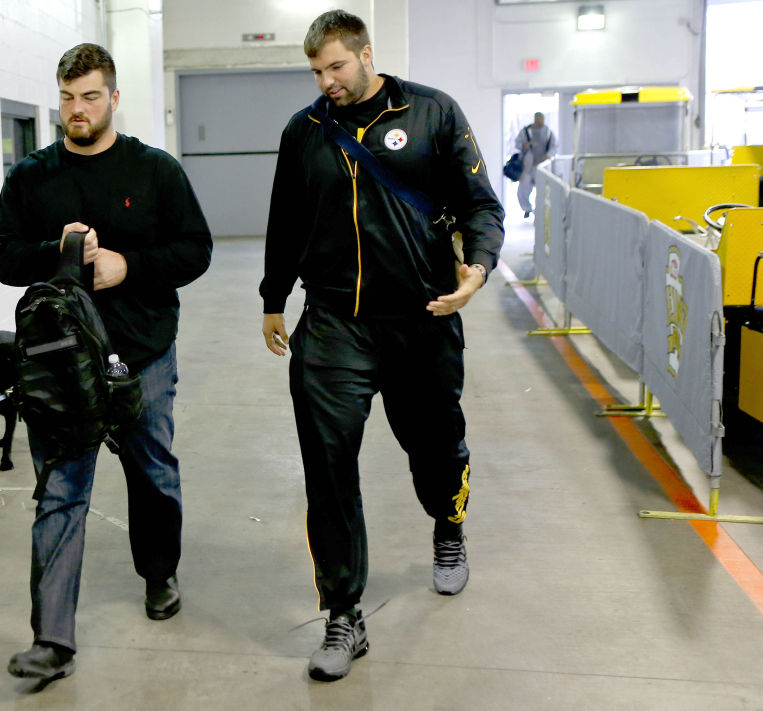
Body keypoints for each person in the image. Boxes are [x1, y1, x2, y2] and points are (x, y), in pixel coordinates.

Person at [260, 11, 504, 682]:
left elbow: (481, 204)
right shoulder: (304, 132)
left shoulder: (431, 114)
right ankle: (342, 612)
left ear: (366, 55)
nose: (326, 81)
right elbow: (285, 217)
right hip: (335, 325)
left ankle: (446, 522)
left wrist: (475, 270)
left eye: (335, 66)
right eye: (316, 71)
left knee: (433, 447)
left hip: (422, 318)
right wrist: (272, 297)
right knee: (328, 468)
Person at [0, 43, 211, 683]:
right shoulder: (33, 177)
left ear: (114, 98)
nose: (77, 109)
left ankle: (159, 573)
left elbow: (195, 251)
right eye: (67, 97)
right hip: (62, 364)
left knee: (152, 473)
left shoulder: (155, 171)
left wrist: (127, 266)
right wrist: (58, 251)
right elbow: (5, 258)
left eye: (90, 96)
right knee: (60, 491)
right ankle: (52, 639)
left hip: (141, 354)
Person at [515, 112, 556, 217]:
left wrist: (548, 154)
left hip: (542, 167)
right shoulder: (526, 131)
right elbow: (517, 143)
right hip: (527, 167)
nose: (540, 121)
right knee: (522, 191)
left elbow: (554, 146)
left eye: (541, 119)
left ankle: (539, 212)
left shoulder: (548, 132)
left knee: (542, 191)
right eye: (538, 119)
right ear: (535, 119)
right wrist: (524, 145)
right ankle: (527, 209)